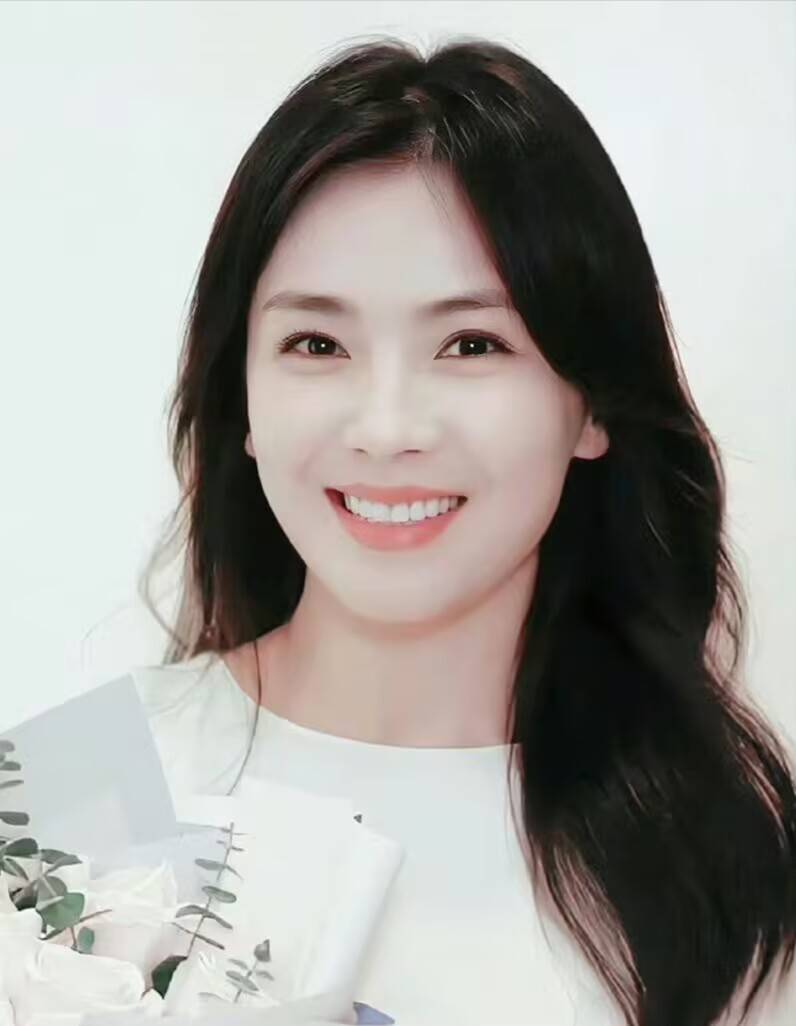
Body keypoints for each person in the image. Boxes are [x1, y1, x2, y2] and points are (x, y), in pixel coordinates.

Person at [131, 34, 795, 1026]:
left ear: (591, 404)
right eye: (317, 343)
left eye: (471, 343)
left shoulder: (720, 857)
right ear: (244, 405)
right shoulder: (81, 789)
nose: (387, 427)